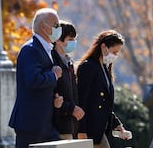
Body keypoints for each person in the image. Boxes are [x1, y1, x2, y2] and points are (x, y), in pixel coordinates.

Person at [9, 8, 64, 148]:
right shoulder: (30, 49)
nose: (59, 29)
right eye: (55, 25)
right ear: (43, 27)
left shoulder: (47, 49)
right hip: (31, 123)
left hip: (45, 123)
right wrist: (54, 76)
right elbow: (33, 80)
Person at [76, 29, 130, 148]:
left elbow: (105, 103)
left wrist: (117, 124)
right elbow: (82, 100)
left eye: (117, 53)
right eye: (114, 52)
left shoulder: (105, 69)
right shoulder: (88, 67)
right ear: (104, 47)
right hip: (89, 129)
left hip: (99, 130)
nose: (115, 56)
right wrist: (81, 130)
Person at [51, 20, 85, 139]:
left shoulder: (69, 62)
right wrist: (70, 109)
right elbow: (52, 96)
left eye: (74, 39)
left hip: (72, 126)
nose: (74, 43)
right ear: (59, 41)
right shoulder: (52, 62)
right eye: (70, 39)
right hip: (60, 126)